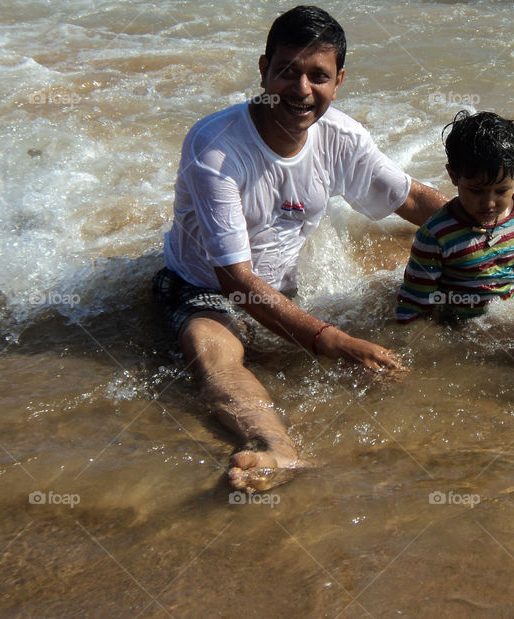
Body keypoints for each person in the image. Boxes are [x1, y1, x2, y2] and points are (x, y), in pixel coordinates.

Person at [153, 6, 448, 492]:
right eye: (288, 72)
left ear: (339, 80)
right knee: (214, 355)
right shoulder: (216, 148)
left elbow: (412, 200)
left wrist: (498, 228)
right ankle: (275, 447)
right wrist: (330, 340)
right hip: (204, 287)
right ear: (264, 69)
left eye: (319, 76)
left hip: (287, 287)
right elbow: (234, 279)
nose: (302, 89)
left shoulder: (341, 137)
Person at [396, 111, 514, 323]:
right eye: (476, 191)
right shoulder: (435, 236)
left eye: (501, 191)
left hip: (508, 319)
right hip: (459, 326)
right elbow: (413, 305)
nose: (489, 203)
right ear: (453, 176)